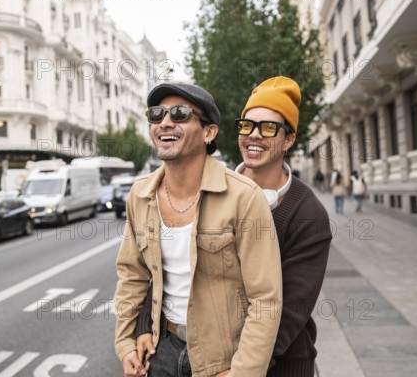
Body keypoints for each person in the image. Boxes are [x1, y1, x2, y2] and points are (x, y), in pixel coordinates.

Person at [135, 77, 332, 377]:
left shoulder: (308, 215)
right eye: (247, 125)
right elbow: (170, 270)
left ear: (289, 139)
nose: (254, 136)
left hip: (276, 364)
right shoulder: (209, 189)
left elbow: (287, 310)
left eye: (268, 128)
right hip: (202, 357)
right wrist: (142, 328)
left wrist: (239, 366)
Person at [115, 82, 283, 377]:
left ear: (209, 132)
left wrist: (243, 372)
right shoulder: (140, 195)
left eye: (179, 114)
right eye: (156, 115)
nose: (165, 122)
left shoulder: (244, 196)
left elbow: (265, 299)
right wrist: (126, 342)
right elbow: (132, 275)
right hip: (159, 351)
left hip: (224, 360)